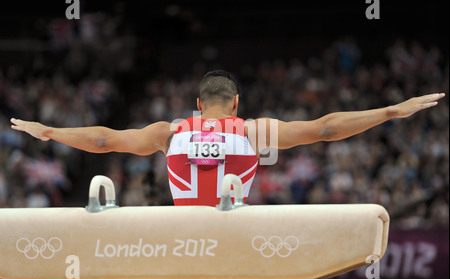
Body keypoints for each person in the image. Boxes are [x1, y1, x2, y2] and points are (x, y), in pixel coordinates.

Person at [10, 70, 445, 206]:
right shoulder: (255, 133)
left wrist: (49, 132)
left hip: (183, 242)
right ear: (236, 103)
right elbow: (326, 128)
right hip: (237, 243)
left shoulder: (169, 132)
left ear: (198, 105)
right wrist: (391, 110)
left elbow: (104, 141)